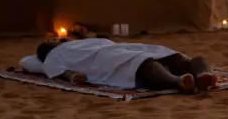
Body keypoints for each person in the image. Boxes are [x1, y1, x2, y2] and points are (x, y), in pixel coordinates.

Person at [35, 37, 217, 94]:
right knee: (150, 63)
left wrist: (71, 75)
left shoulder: (73, 44)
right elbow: (61, 72)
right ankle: (187, 78)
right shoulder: (52, 56)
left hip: (114, 51)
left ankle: (191, 78)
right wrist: (73, 76)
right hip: (109, 54)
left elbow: (62, 73)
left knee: (149, 62)